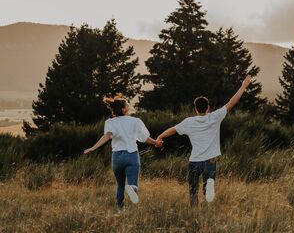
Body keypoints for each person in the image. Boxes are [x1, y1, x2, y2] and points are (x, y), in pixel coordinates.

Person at [156, 76, 252, 206]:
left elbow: (173, 130)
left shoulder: (189, 122)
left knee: (193, 190)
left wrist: (160, 137)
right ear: (208, 107)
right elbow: (231, 103)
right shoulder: (215, 117)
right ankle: (208, 191)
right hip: (210, 161)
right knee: (208, 188)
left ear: (195, 108)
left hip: (194, 161)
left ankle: (194, 212)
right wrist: (243, 86)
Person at [84, 94, 162, 211]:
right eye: (127, 104)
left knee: (120, 185)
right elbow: (143, 137)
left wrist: (93, 148)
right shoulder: (135, 121)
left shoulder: (110, 122)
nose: (129, 106)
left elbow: (107, 136)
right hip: (131, 155)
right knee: (132, 184)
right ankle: (131, 189)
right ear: (123, 109)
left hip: (117, 157)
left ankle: (120, 209)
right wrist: (155, 143)